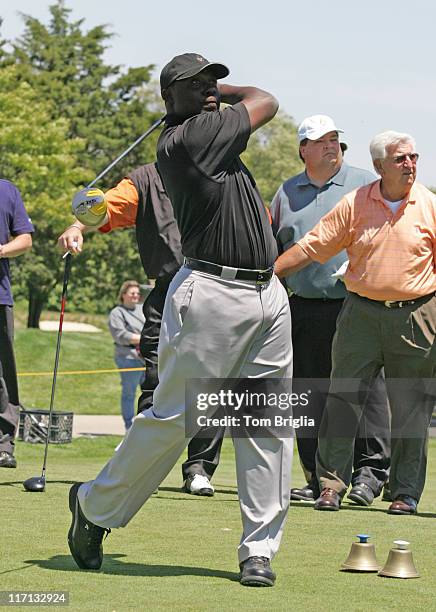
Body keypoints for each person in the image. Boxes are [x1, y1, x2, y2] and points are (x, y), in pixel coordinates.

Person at [64, 52, 293, 587]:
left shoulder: (202, 129)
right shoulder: (189, 138)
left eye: (214, 80)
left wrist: (212, 90)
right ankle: (94, 507)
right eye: (196, 85)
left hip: (267, 293)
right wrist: (232, 91)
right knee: (175, 417)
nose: (211, 90)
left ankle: (258, 549)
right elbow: (268, 100)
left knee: (266, 424)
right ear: (169, 100)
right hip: (213, 293)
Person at [274, 130, 436, 515]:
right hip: (360, 312)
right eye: (401, 159)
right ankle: (330, 485)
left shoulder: (430, 205)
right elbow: (313, 245)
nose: (410, 165)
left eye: (413, 157)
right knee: (342, 399)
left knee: (412, 406)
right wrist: (269, 275)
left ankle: (405, 492)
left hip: (416, 315)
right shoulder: (356, 203)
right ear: (379, 166)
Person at [58, 162, 224, 495]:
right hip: (168, 288)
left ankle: (199, 469)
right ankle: (142, 465)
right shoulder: (147, 178)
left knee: (211, 384)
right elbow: (108, 205)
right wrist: (78, 224)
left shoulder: (223, 172)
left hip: (216, 288)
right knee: (154, 378)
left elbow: (257, 222)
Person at [270, 114, 390, 507]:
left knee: (366, 392)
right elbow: (276, 248)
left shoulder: (364, 185)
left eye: (335, 140)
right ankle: (316, 476)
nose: (330, 147)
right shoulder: (286, 193)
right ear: (303, 148)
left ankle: (368, 475)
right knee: (308, 393)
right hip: (302, 307)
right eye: (320, 140)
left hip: (355, 304)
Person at [0, 179, 33, 468]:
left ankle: (4, 444)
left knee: (2, 372)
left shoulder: (8, 190)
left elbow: (25, 239)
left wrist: (0, 250)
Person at [108, 280, 146, 431]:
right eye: (132, 293)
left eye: (137, 293)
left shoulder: (143, 310)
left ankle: (145, 424)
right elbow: (120, 335)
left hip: (147, 358)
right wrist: (144, 339)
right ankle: (129, 426)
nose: (136, 296)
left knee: (150, 392)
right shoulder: (117, 313)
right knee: (129, 393)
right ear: (123, 295)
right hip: (128, 358)